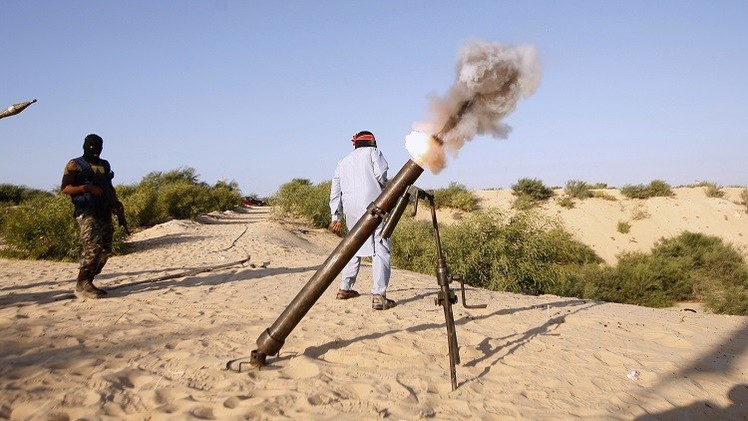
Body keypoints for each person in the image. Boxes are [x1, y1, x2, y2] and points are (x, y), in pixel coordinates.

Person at [329, 130, 396, 310]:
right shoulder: (373, 152)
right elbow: (381, 173)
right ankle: (379, 295)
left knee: (353, 246)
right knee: (380, 246)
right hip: (373, 207)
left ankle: (345, 288)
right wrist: (383, 188)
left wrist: (335, 215)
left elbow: (335, 190)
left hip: (351, 210)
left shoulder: (343, 161)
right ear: (372, 141)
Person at [61, 133, 125, 299]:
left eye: (98, 148)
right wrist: (87, 188)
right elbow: (66, 188)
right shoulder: (75, 164)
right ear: (85, 147)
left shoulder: (104, 165)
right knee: (93, 247)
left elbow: (109, 187)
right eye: (92, 148)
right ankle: (82, 283)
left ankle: (88, 280)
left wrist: (116, 204)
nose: (95, 151)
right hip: (87, 212)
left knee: (105, 249)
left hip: (104, 211)